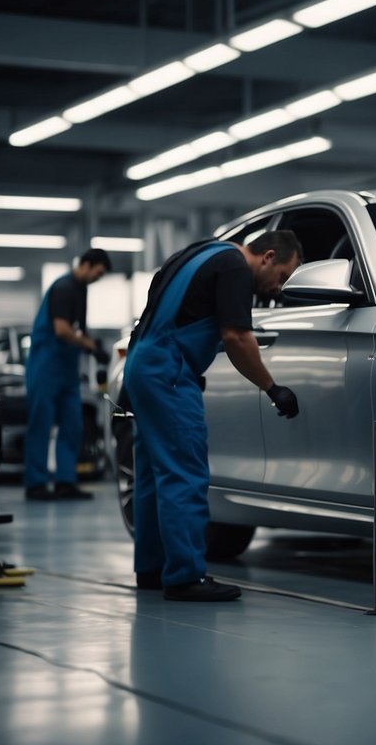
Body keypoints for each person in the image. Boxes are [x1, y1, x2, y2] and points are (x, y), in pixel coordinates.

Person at [124, 230, 302, 602]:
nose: (278, 288)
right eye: (282, 275)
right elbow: (236, 336)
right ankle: (186, 575)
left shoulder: (199, 252)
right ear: (267, 256)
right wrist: (273, 388)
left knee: (153, 475)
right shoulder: (235, 268)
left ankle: (152, 569)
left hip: (143, 363)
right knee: (184, 471)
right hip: (169, 372)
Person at [24, 248, 111, 501]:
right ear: (85, 264)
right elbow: (62, 330)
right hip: (46, 366)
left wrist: (90, 346)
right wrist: (91, 346)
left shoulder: (81, 291)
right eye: (98, 273)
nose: (98, 278)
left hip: (67, 370)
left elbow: (77, 331)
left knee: (73, 425)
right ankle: (36, 483)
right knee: (41, 425)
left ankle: (65, 481)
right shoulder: (63, 287)